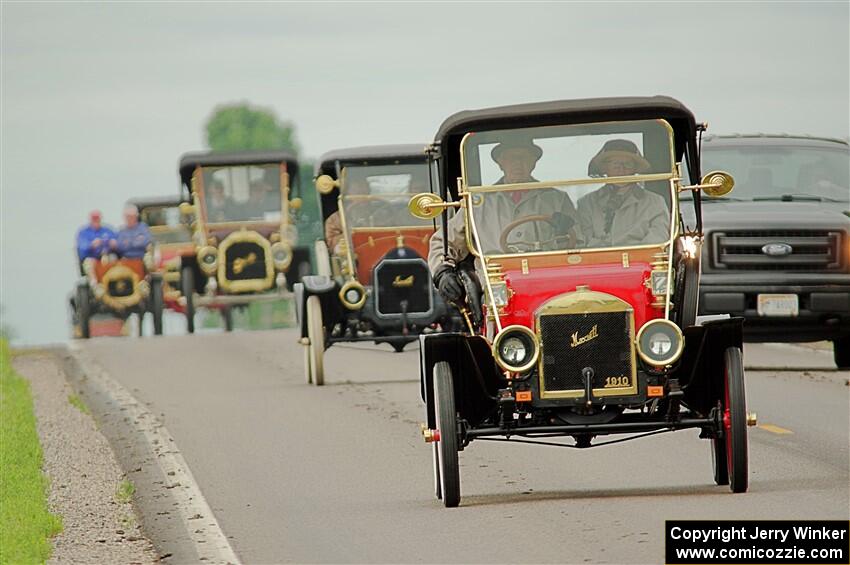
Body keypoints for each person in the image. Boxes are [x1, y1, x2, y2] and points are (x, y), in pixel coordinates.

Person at [429, 138, 578, 305]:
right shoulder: (478, 202)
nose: (517, 163)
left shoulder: (557, 200)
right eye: (511, 158)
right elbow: (443, 242)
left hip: (549, 280)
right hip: (494, 285)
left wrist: (565, 231)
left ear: (533, 162)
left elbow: (580, 243)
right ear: (500, 163)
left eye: (523, 158)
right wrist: (443, 271)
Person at [575, 139, 669, 248]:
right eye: (615, 164)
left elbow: (658, 238)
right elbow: (583, 239)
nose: (621, 169)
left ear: (635, 168)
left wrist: (631, 257)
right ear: (605, 168)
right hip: (598, 262)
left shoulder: (655, 202)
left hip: (640, 262)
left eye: (628, 164)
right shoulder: (587, 203)